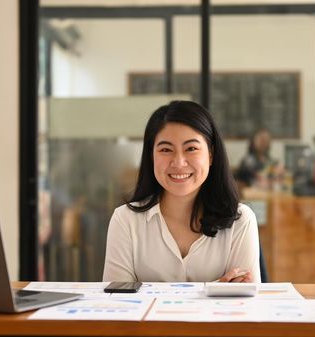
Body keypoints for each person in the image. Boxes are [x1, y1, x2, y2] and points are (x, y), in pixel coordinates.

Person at [102, 100, 261, 283]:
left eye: (191, 148)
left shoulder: (240, 221)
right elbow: (117, 303)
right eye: (166, 149)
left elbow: (244, 304)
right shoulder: (125, 221)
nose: (178, 162)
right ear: (151, 156)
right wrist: (214, 290)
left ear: (210, 155)